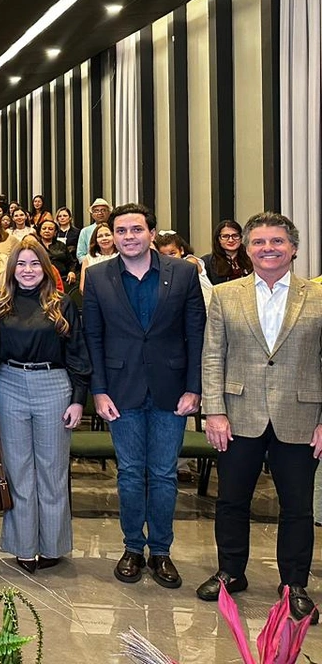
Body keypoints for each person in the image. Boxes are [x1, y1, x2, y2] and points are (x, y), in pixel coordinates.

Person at [198, 213, 322, 623]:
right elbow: (213, 355)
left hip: (300, 414)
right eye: (259, 242)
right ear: (246, 248)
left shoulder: (317, 295)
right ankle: (231, 572)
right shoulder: (226, 294)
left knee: (297, 506)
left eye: (277, 241)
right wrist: (214, 411)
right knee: (232, 500)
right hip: (238, 414)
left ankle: (294, 583)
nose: (268, 248)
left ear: (294, 248)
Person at [81, 202, 205, 590]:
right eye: (121, 231)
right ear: (111, 236)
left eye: (136, 229)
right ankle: (133, 547)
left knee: (166, 474)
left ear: (152, 233)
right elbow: (93, 339)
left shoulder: (183, 273)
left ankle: (162, 551)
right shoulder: (98, 277)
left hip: (172, 390)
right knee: (132, 473)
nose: (129, 237)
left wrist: (195, 387)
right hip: (121, 390)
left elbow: (197, 334)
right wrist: (98, 391)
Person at [0, 238, 89, 572]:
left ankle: (52, 545)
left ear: (45, 268)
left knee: (52, 470)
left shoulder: (61, 303)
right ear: (12, 269)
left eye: (34, 264)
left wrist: (78, 399)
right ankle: (23, 545)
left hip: (53, 385)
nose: (27, 271)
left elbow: (77, 352)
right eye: (21, 264)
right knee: (18, 471)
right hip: (9, 384)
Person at [200, 220, 254, 286]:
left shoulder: (251, 259)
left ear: (241, 238)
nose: (231, 240)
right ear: (218, 239)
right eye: (225, 236)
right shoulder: (207, 263)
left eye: (235, 235)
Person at [37, 219, 77, 287]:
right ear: (40, 231)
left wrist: (72, 272)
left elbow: (71, 262)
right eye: (44, 228)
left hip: (63, 278)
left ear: (55, 232)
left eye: (50, 229)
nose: (47, 231)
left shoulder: (61, 245)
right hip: (40, 280)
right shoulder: (35, 246)